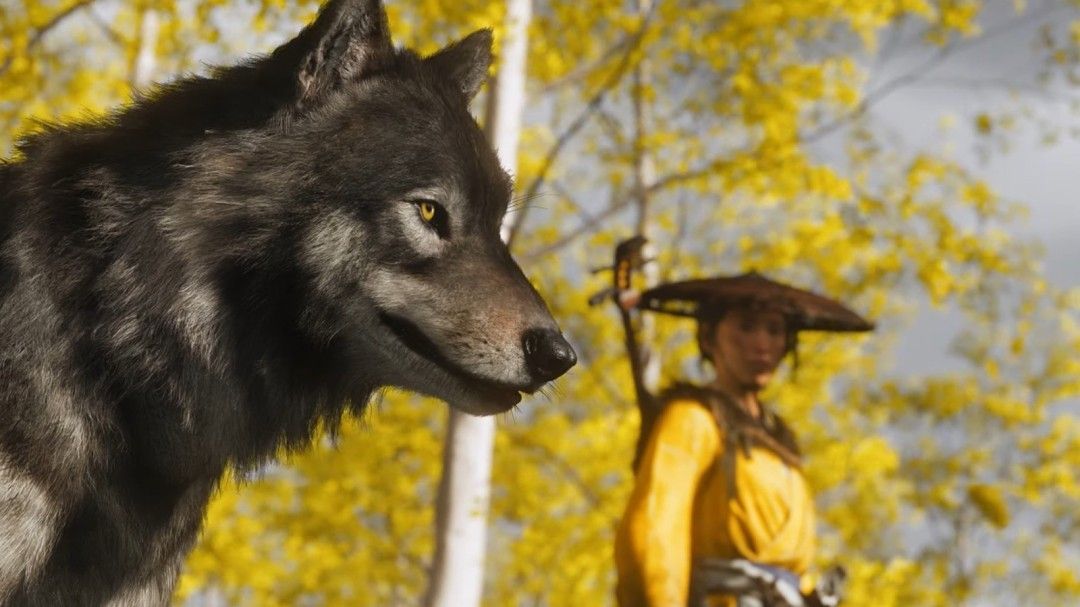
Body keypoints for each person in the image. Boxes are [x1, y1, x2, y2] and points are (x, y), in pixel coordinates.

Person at [613, 272, 872, 607]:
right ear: (709, 338)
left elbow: (790, 560)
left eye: (774, 330)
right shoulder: (693, 418)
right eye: (746, 327)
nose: (762, 343)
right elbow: (656, 525)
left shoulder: (780, 439)